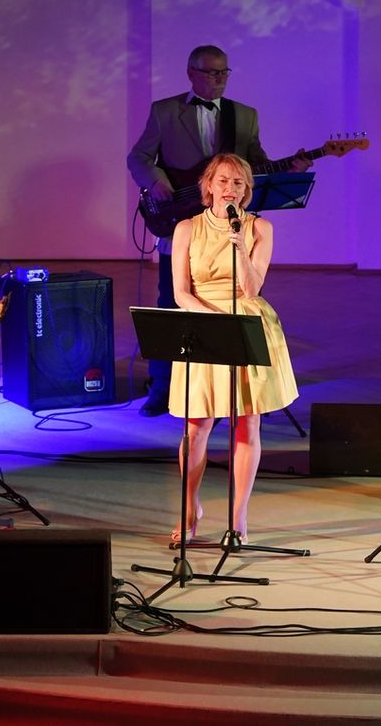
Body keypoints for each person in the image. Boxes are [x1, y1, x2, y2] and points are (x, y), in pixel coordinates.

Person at [127, 44, 306, 416]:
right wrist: (157, 181)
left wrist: (289, 167)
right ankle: (163, 387)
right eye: (211, 72)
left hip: (229, 224)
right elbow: (139, 157)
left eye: (224, 72)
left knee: (244, 295)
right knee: (170, 301)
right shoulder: (165, 111)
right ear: (191, 73)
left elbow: (255, 165)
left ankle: (244, 389)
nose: (219, 78)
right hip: (182, 219)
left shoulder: (245, 115)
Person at [168, 153, 299, 544]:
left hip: (246, 322)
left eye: (238, 183)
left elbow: (252, 288)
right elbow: (180, 292)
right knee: (196, 426)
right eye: (223, 181)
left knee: (248, 422)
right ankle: (189, 510)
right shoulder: (186, 228)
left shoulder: (261, 228)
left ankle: (238, 519)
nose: (230, 189)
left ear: (247, 190)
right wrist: (211, 322)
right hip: (203, 323)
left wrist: (241, 246)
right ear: (208, 185)